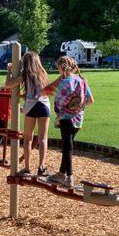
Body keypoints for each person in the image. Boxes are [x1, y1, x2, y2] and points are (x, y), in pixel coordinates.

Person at [42, 56, 94, 188]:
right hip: (78, 119)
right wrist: (77, 108)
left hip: (65, 118)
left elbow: (47, 93)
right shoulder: (82, 81)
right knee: (68, 146)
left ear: (61, 68)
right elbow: (90, 100)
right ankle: (61, 173)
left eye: (58, 69)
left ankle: (69, 177)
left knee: (67, 148)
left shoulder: (63, 83)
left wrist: (66, 110)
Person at [5, 51, 50, 176]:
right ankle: (41, 166)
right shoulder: (43, 74)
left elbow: (8, 85)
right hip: (44, 105)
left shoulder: (26, 74)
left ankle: (27, 168)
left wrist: (9, 71)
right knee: (43, 138)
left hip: (31, 105)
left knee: (28, 138)